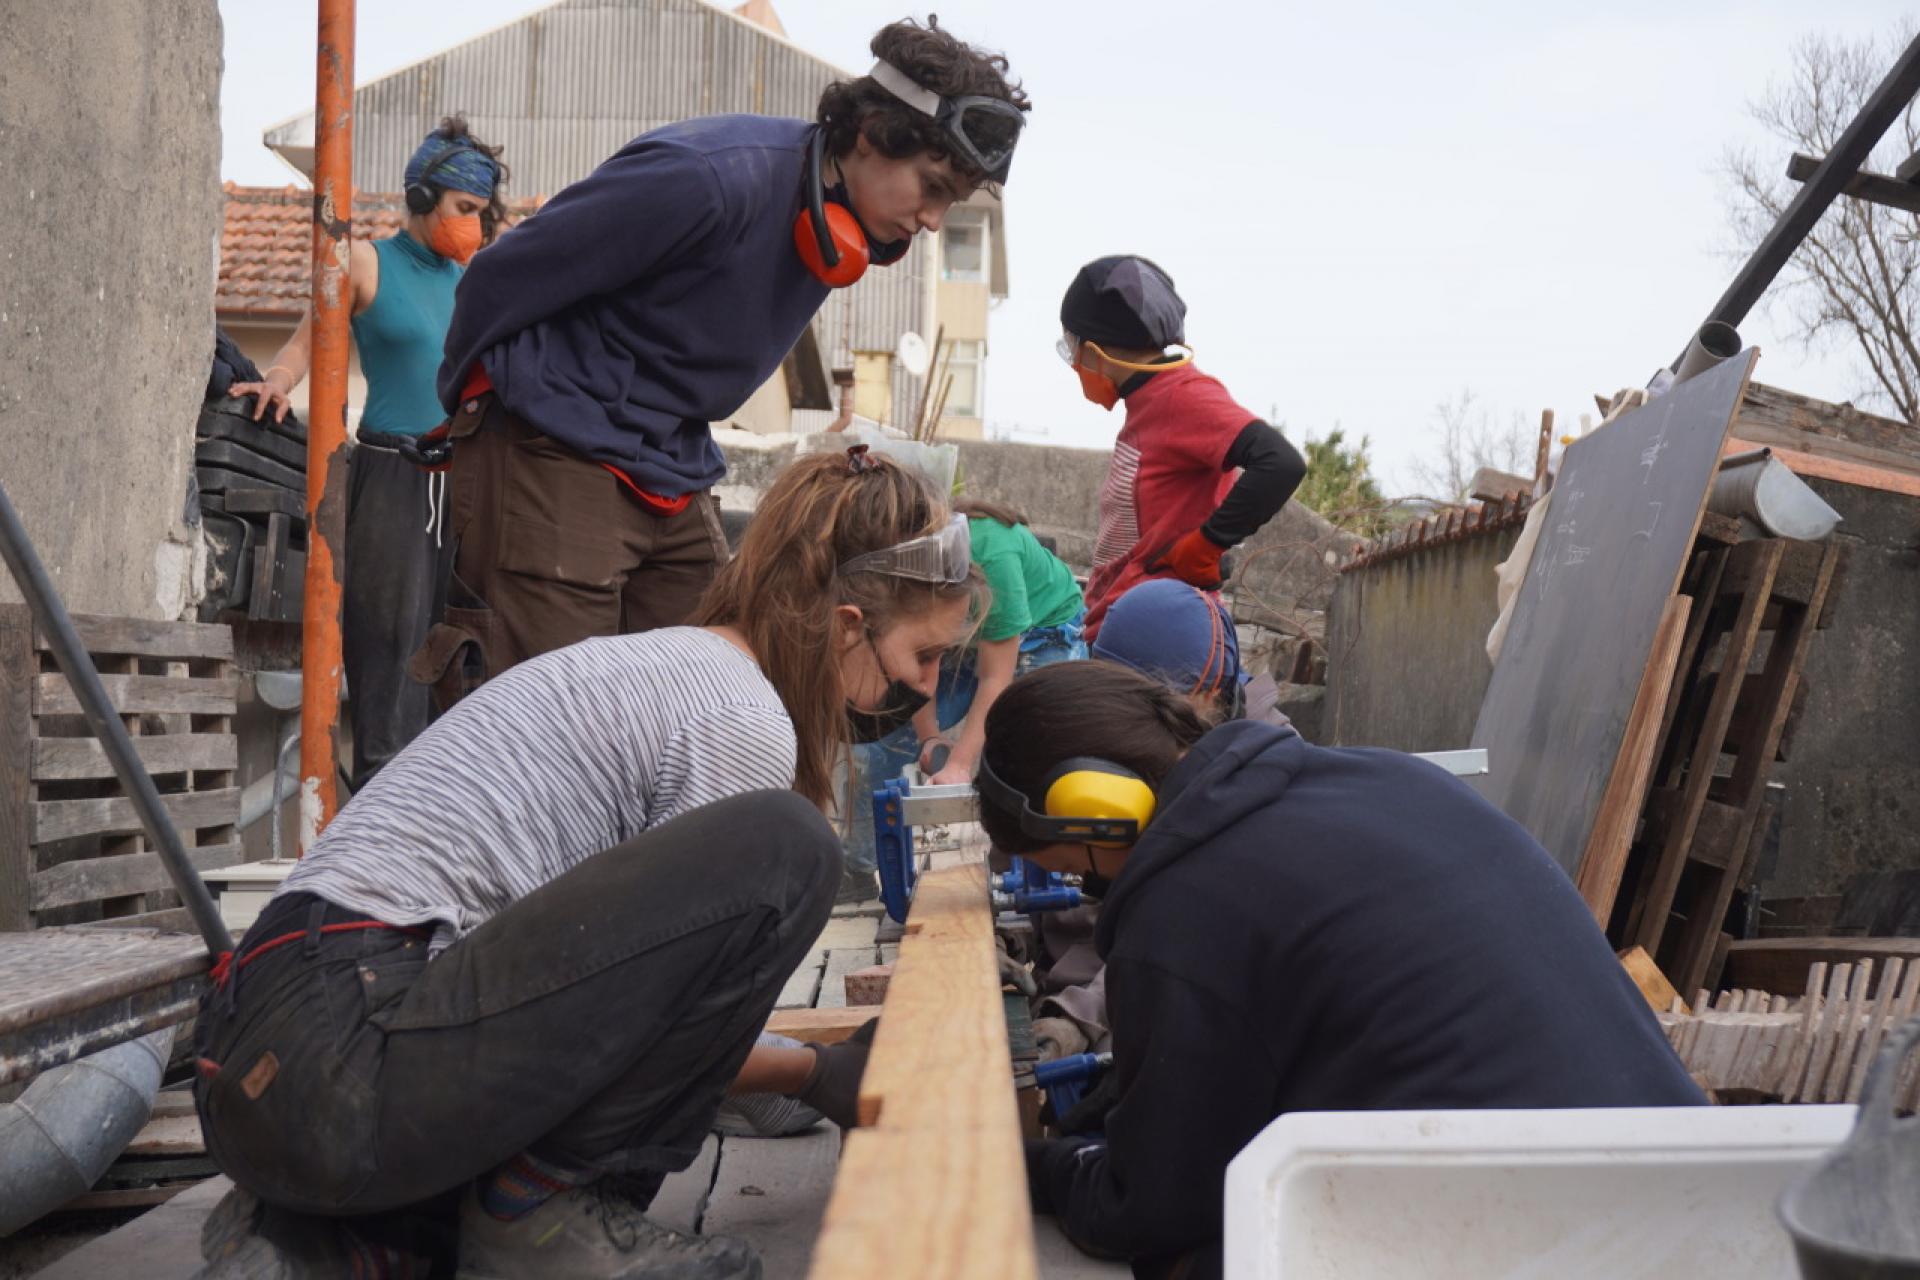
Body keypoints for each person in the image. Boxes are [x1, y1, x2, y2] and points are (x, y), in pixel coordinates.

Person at [193, 449, 977, 1280]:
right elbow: (670, 1028)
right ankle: (539, 1211)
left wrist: (803, 1077)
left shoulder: (661, 666)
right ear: (848, 625)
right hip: (352, 1040)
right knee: (791, 848)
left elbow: (589, 1006)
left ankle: (319, 1242)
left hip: (261, 1054)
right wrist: (820, 1073)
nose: (923, 690)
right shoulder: (739, 714)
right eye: (922, 657)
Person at [975, 661, 1707, 1277]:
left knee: (1202, 1252)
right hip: (1701, 1200)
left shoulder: (1182, 904)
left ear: (1097, 812)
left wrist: (1030, 1166)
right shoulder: (1388, 778)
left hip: (1533, 1245)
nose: (1091, 893)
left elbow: (1151, 1206)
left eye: (1076, 870)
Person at [413, 17, 1029, 704]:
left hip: (673, 458)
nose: (936, 220)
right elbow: (499, 278)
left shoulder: (839, 219)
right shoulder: (707, 177)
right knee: (559, 711)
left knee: (718, 690)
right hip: (555, 444)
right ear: (872, 134)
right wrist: (473, 417)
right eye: (933, 186)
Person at [231, 118, 509, 787]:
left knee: (461, 662)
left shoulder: (475, 282)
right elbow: (307, 342)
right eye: (464, 209)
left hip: (465, 486)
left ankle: (441, 820)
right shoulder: (363, 263)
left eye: (481, 214)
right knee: (389, 659)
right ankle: (380, 829)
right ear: (421, 198)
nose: (472, 225)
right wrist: (276, 381)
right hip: (390, 479)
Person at [840, 496, 1084, 902]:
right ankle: (860, 871)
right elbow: (915, 668)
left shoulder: (994, 555)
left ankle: (1022, 867)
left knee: (1022, 743)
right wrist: (929, 737)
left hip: (1043, 636)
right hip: (965, 639)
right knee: (883, 738)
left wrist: (959, 763)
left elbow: (995, 679)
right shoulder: (900, 566)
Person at [1057, 255, 1308, 640]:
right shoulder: (1146, 403)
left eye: (1072, 346)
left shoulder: (1181, 396)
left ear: (1094, 349)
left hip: (1158, 633)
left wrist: (1206, 545)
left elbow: (1281, 463)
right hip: (1125, 627)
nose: (1074, 361)